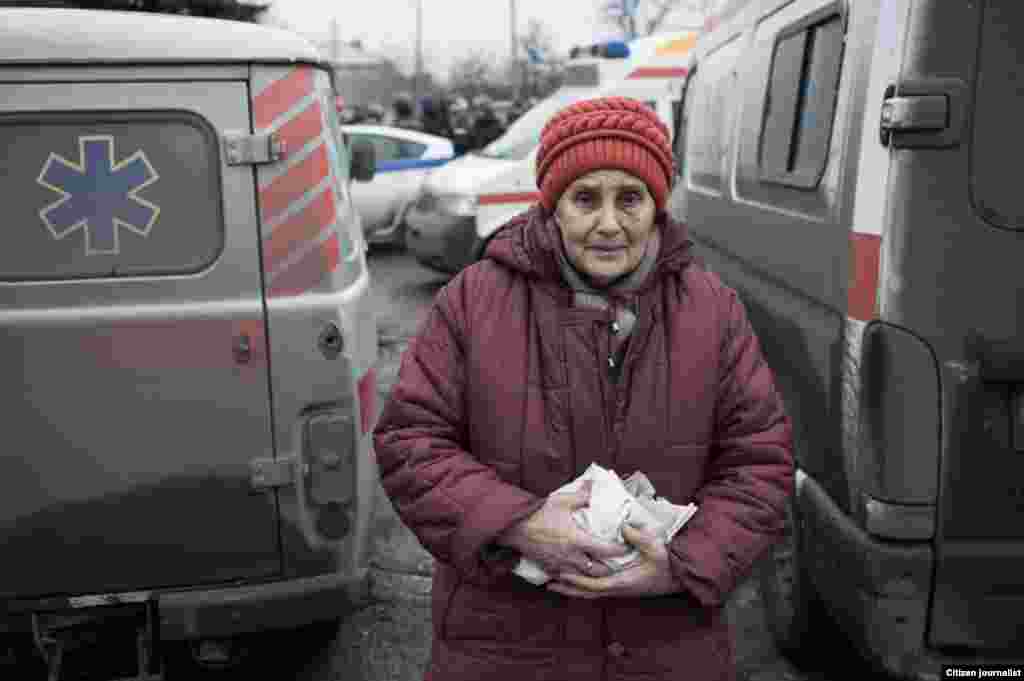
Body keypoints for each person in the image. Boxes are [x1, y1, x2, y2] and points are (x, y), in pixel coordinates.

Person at [373, 96, 794, 681]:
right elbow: (410, 443)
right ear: (552, 206)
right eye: (585, 198)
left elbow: (760, 462)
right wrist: (518, 524)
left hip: (667, 650)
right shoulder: (475, 300)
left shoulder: (712, 311)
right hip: (502, 649)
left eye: (630, 198)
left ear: (656, 205)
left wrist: (682, 564)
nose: (609, 223)